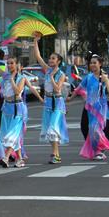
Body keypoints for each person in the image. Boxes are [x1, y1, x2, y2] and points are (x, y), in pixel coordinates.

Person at [68, 55, 109, 160]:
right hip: (91, 108)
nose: (92, 65)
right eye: (91, 63)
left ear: (100, 64)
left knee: (96, 129)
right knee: (92, 129)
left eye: (94, 63)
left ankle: (99, 150)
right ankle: (98, 150)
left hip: (101, 108)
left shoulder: (104, 77)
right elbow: (79, 89)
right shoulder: (88, 77)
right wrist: (70, 98)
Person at [31, 33, 69, 163]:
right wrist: (35, 41)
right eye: (50, 58)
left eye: (53, 59)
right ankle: (55, 154)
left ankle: (55, 154)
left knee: (53, 127)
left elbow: (58, 89)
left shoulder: (61, 74)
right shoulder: (47, 70)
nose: (50, 60)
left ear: (58, 61)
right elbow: (38, 56)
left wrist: (52, 77)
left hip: (57, 102)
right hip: (47, 102)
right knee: (49, 129)